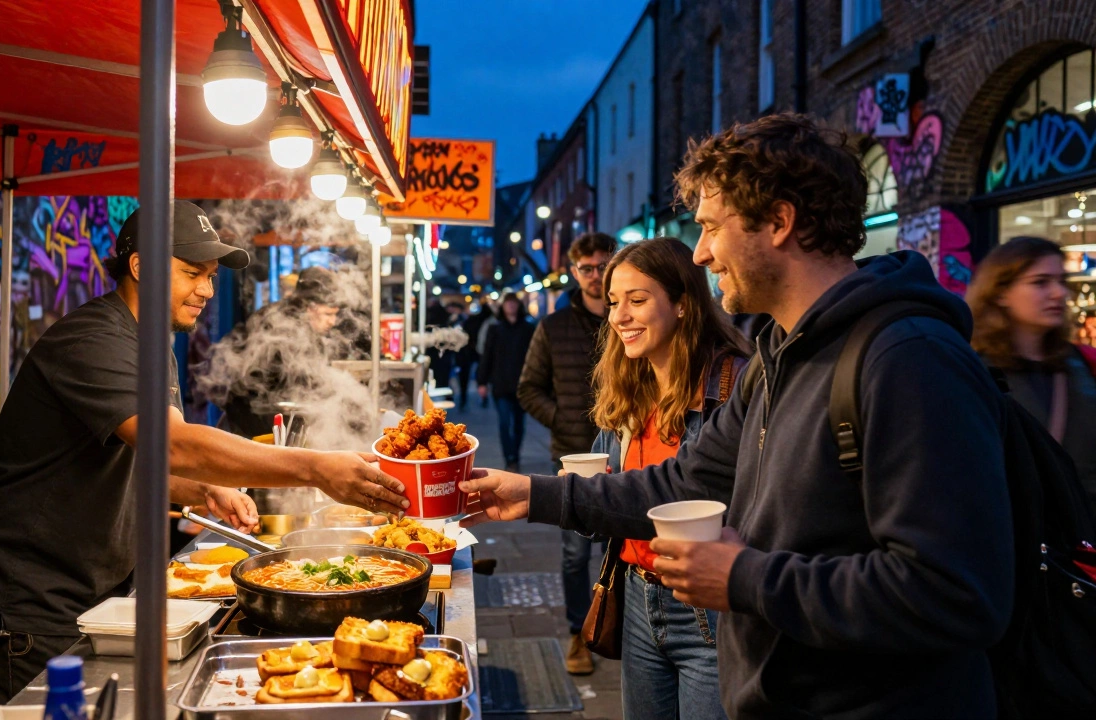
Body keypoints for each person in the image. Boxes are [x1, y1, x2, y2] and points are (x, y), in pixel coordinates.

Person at [459, 114, 1014, 719]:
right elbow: (683, 480)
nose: (700, 253)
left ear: (779, 221)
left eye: (710, 228)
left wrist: (746, 578)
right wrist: (533, 495)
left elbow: (957, 594)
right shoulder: (777, 357)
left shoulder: (908, 359)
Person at [0, 201, 409, 708]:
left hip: (89, 593)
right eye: (192, 273)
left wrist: (203, 489)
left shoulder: (150, 343)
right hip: (24, 604)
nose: (207, 290)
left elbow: (143, 459)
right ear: (140, 266)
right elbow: (175, 444)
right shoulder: (93, 338)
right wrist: (315, 469)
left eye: (209, 277)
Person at [591, 238, 747, 720]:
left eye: (637, 300)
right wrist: (585, 493)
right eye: (615, 302)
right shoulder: (628, 384)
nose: (620, 317)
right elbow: (611, 490)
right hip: (637, 594)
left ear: (683, 304)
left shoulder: (731, 385)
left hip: (708, 609)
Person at [516, 231, 616, 674]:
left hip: (632, 456)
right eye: (587, 269)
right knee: (576, 556)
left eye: (602, 266)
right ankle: (579, 634)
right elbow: (528, 389)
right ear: (574, 272)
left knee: (625, 551)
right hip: (575, 456)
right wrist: (563, 418)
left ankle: (623, 633)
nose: (596, 277)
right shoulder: (553, 326)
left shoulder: (631, 316)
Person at [968, 236, 1096, 512]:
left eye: (1061, 281)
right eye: (1041, 282)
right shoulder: (974, 371)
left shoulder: (1081, 363)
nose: (1059, 293)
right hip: (1016, 541)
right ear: (1000, 293)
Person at [203, 266, 346, 439]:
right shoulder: (281, 326)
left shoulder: (295, 322)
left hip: (259, 417)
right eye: (328, 314)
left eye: (335, 315)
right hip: (253, 421)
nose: (333, 321)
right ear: (310, 307)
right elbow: (301, 384)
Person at [476, 292, 534, 472]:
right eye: (507, 303)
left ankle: (515, 455)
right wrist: (482, 381)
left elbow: (535, 358)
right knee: (504, 423)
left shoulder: (527, 329)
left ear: (518, 305)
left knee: (518, 424)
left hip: (522, 385)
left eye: (513, 303)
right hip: (501, 384)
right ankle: (509, 458)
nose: (510, 306)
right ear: (502, 306)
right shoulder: (495, 329)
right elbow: (487, 356)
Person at [457, 297, 494, 410]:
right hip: (479, 352)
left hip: (468, 352)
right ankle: (483, 396)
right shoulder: (485, 320)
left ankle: (463, 399)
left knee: (465, 377)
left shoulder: (468, 321)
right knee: (481, 375)